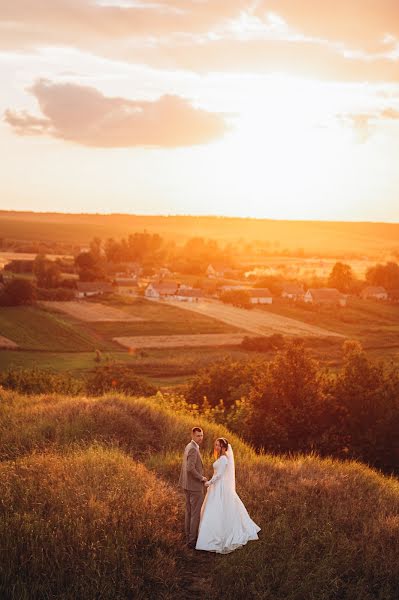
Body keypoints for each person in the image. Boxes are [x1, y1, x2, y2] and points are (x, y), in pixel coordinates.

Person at [195, 437, 260, 554]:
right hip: (216, 486)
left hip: (220, 487)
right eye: (215, 444)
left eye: (218, 445)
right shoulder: (220, 458)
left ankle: (216, 538)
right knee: (213, 510)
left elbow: (219, 475)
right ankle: (207, 538)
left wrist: (209, 482)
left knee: (217, 510)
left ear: (224, 447)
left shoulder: (224, 459)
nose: (216, 447)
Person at [179, 426, 208, 549]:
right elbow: (190, 468)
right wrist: (201, 478)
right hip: (194, 486)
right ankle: (192, 541)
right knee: (195, 514)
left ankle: (188, 537)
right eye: (198, 436)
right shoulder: (193, 449)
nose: (200, 438)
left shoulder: (189, 446)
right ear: (192, 435)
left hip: (187, 485)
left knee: (189, 512)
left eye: (201, 435)